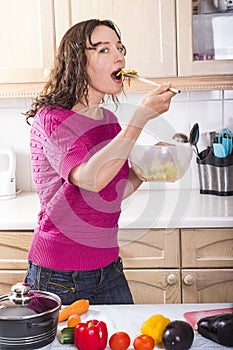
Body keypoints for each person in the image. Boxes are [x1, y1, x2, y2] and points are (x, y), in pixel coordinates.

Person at [24, 19, 175, 305]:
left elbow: (112, 191)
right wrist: (140, 118)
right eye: (104, 50)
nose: (120, 56)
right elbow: (90, 179)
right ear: (77, 62)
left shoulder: (109, 122)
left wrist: (148, 167)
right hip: (58, 272)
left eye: (119, 47)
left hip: (108, 267)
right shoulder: (52, 119)